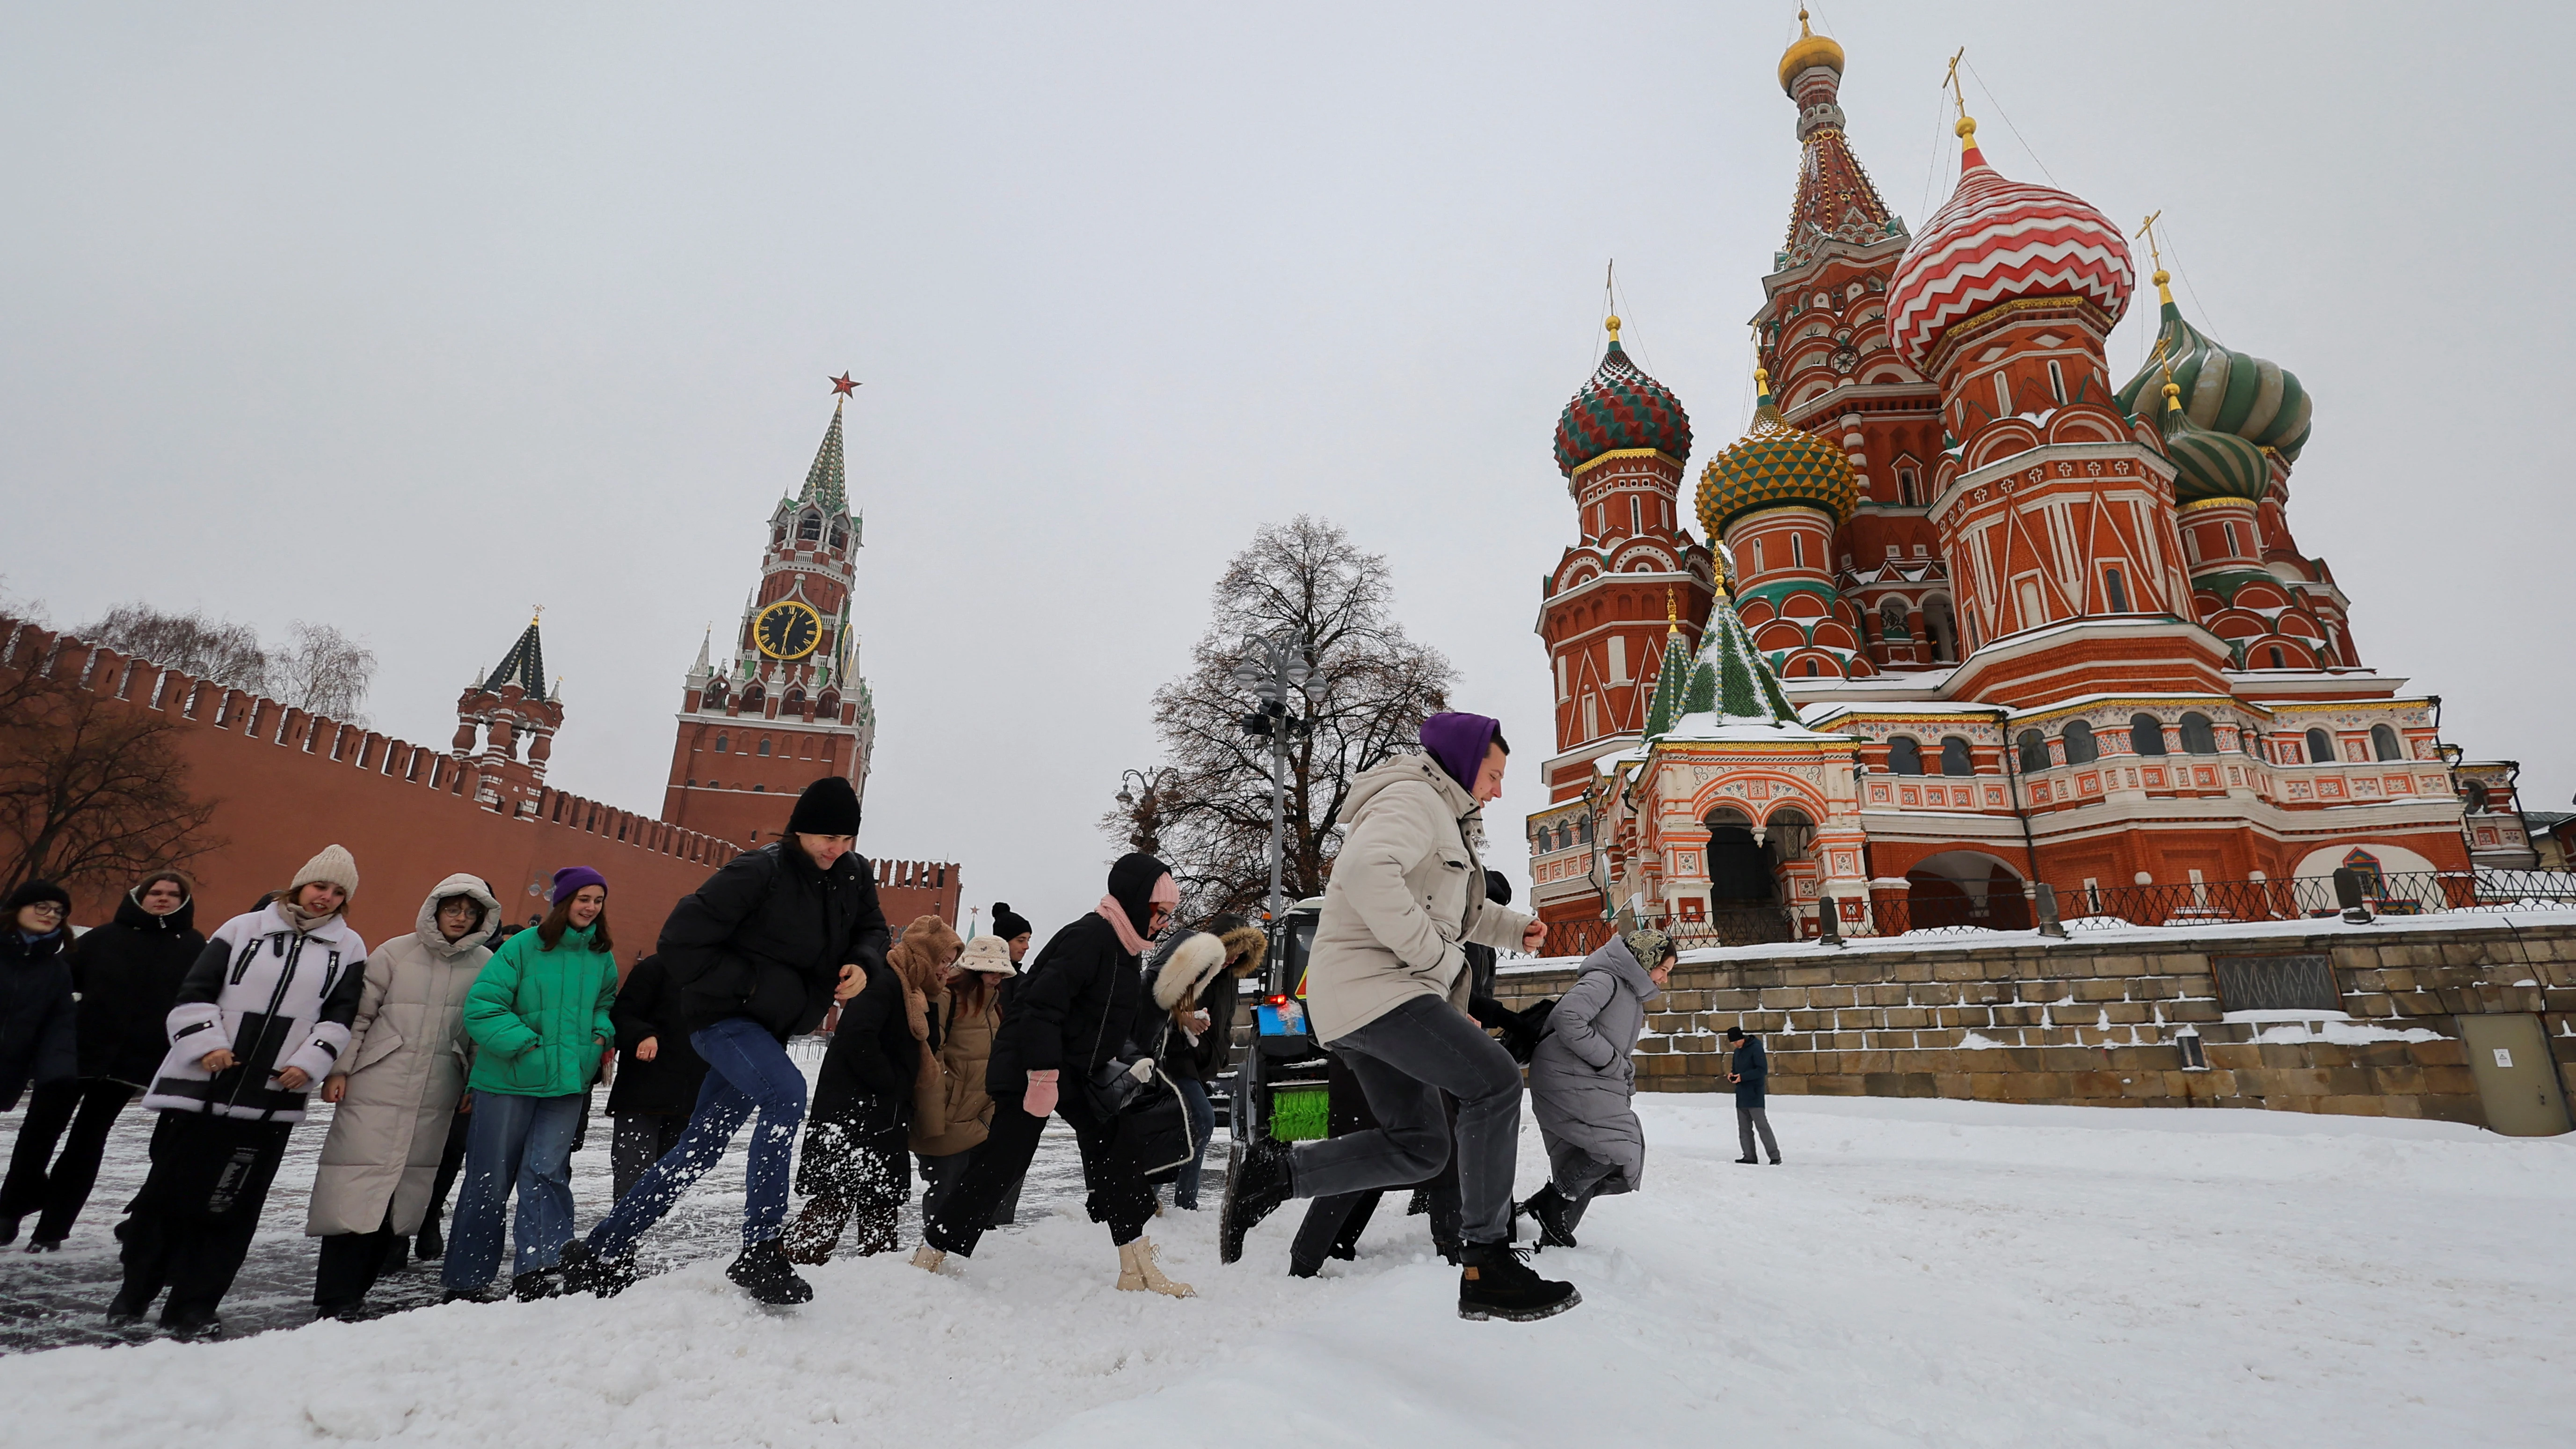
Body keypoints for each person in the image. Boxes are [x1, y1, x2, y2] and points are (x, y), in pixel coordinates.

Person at [1219, 713, 1577, 1323]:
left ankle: (1276, 1176)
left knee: (1420, 1146)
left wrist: (1516, 929)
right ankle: (1485, 1260)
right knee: (1491, 1082)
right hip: (1377, 990)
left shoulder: (1441, 817)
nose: (1496, 789)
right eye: (1492, 775)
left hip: (1360, 999)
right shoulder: (1415, 800)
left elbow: (1454, 911)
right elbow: (1363, 873)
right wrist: (1431, 956)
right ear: (1464, 765)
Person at [556, 776, 888, 1306]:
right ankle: (760, 1248)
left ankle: (603, 1251)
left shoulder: (851, 875)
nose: (836, 848)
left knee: (697, 1150)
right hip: (722, 1022)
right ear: (799, 829)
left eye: (846, 839)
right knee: (785, 1095)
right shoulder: (758, 871)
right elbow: (679, 940)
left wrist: (862, 962)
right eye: (826, 837)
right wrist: (751, 986)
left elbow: (872, 928)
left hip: (771, 1028)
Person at [116, 845, 368, 1337]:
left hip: (271, 1097)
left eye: (339, 893)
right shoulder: (241, 929)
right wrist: (207, 1044)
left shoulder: (349, 947)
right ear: (300, 884)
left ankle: (195, 1303)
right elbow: (193, 994)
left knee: (231, 1204)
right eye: (321, 886)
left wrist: (309, 1062)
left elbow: (341, 1016)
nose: (327, 898)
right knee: (165, 1196)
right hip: (202, 1087)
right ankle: (134, 1294)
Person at [915, 853, 1193, 1298]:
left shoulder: (1126, 951)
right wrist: (1042, 1074)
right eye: (1159, 911)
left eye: (1168, 914)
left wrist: (1130, 1059)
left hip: (1076, 1071)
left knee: (1119, 1150)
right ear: (1137, 901)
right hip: (1031, 1063)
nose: (1162, 921)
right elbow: (1041, 1007)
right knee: (1005, 1159)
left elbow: (1109, 1022)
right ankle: (932, 1252)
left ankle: (1135, 1264)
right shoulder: (1089, 938)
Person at [306, 875, 499, 1318]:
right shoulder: (395, 951)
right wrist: (339, 1069)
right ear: (435, 909)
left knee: (400, 1197)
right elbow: (360, 1014)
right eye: (453, 909)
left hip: (437, 1091)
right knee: (356, 1187)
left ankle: (358, 1293)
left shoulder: (486, 963)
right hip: (376, 1083)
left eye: (470, 912)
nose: (461, 918)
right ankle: (336, 1296)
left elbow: (479, 1032)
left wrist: (471, 1082)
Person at [442, 867, 616, 1302]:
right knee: (490, 1178)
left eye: (597, 899)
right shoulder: (522, 946)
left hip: (566, 1085)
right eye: (583, 898)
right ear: (563, 901)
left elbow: (605, 1003)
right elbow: (483, 1007)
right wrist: (526, 1044)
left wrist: (598, 1037)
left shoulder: (600, 954)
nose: (590, 906)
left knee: (548, 1172)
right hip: (508, 1082)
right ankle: (468, 1278)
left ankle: (541, 1268)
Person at [4, 874, 195, 1251]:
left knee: (87, 1142)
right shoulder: (105, 937)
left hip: (131, 1063)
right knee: (38, 1133)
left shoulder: (193, 945)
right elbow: (56, 980)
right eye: (156, 892)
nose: (163, 899)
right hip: (74, 1055)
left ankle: (52, 1229)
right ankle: (9, 1210)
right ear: (140, 897)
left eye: (173, 895)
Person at [785, 914, 959, 1262]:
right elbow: (857, 1037)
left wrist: (930, 1007)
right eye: (943, 961)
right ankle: (785, 1268)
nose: (946, 970)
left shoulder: (915, 992)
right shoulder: (884, 983)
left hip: (882, 1117)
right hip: (854, 1116)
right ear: (925, 954)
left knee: (880, 1199)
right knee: (835, 1201)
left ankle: (878, 1276)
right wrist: (891, 1083)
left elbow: (927, 1043)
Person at [1521, 926, 1672, 1248]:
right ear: (1647, 961)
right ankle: (1549, 1200)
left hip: (1583, 1076)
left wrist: (1620, 1076)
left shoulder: (1629, 992)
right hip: (1564, 1074)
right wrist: (1609, 1062)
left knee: (1583, 1154)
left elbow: (1615, 1049)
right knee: (1618, 1145)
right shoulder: (1607, 980)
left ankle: (1554, 1231)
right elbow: (1568, 1018)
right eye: (1663, 969)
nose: (1664, 978)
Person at [911, 932, 1012, 1225]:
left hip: (979, 1110)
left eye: (1002, 973)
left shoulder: (992, 1006)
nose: (999, 979)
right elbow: (931, 1055)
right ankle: (933, 1252)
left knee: (968, 1186)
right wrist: (937, 1108)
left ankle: (951, 1246)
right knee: (944, 1187)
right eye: (994, 972)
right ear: (976, 970)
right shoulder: (947, 998)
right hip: (949, 1111)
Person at [604, 954, 709, 1201]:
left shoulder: (721, 976)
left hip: (690, 1096)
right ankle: (621, 1235)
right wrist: (643, 1035)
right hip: (643, 1092)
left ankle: (639, 1232)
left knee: (667, 1183)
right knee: (633, 1177)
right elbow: (623, 1014)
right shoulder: (657, 967)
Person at [1149, 929, 1235, 1212]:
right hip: (1165, 1063)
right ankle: (1176, 1199)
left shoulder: (1212, 980)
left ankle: (1154, 1196)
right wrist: (1183, 1019)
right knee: (1200, 1119)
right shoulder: (1166, 977)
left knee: (1179, 1123)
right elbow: (1153, 1009)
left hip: (1182, 1062)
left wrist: (1195, 1025)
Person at [1727, 1027, 1780, 1165]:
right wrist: (1733, 1075)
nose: (1736, 1045)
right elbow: (1735, 1069)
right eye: (1733, 1043)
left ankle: (1775, 1157)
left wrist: (1743, 1077)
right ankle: (1749, 1156)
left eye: (1737, 1041)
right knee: (1744, 1129)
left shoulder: (1756, 1048)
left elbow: (1762, 1070)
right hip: (1741, 1095)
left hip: (1755, 1094)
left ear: (1742, 1038)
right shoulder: (1737, 1052)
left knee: (1762, 1126)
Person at [991, 903, 1033, 968]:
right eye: (1021, 941)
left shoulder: (1025, 978)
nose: (1027, 947)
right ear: (1002, 941)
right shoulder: (975, 975)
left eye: (1028, 940)